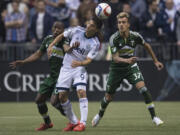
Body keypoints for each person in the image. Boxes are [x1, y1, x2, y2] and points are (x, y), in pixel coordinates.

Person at [91, 12, 164, 127]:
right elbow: (115, 58)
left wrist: (155, 61)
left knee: (143, 89)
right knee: (108, 97)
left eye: (123, 22)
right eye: (119, 23)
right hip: (116, 69)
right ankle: (99, 115)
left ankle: (154, 117)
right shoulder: (114, 38)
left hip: (130, 67)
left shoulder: (135, 36)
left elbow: (147, 46)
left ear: (128, 24)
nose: (121, 25)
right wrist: (127, 60)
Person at [48, 17, 103, 132]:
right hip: (66, 67)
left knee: (81, 92)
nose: (88, 26)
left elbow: (88, 60)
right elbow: (62, 35)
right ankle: (73, 122)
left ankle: (82, 123)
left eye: (92, 25)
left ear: (96, 29)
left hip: (80, 68)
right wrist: (51, 45)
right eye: (89, 23)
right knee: (62, 96)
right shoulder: (77, 30)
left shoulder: (95, 43)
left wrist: (80, 63)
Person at [9, 21, 66, 131]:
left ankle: (73, 121)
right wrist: (24, 61)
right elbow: (38, 54)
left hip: (63, 76)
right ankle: (47, 122)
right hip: (53, 76)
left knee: (54, 102)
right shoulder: (47, 40)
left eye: (59, 28)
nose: (56, 30)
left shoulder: (65, 40)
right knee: (39, 100)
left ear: (63, 30)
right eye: (55, 27)